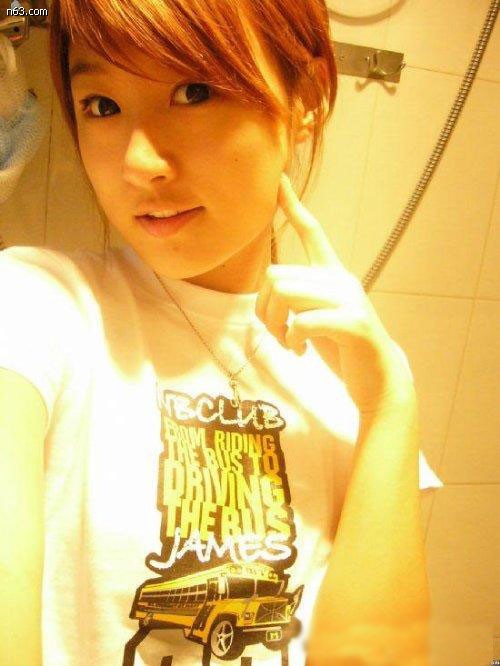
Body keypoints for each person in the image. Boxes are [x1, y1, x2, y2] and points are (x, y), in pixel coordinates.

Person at [0, 0, 443, 664]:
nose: (139, 162)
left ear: (306, 99)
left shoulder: (352, 386)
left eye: (193, 92)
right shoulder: (35, 304)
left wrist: (390, 405)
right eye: (102, 105)